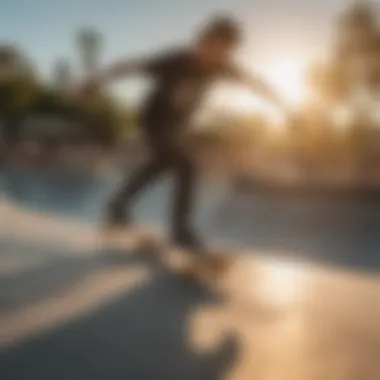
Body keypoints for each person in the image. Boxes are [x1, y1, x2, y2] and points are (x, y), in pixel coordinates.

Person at [79, 15, 288, 250]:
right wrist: (94, 81)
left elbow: (253, 82)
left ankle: (117, 206)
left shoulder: (222, 68)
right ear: (200, 41)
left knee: (162, 163)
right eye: (210, 47)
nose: (213, 55)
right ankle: (180, 231)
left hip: (177, 127)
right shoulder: (175, 60)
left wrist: (281, 104)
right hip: (154, 120)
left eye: (222, 51)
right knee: (186, 164)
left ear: (228, 53)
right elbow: (131, 67)